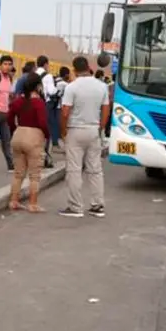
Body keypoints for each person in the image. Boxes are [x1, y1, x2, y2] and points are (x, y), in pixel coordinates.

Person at [58, 56, 111, 219]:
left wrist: (63, 131)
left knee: (74, 169)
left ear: (74, 70)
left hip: (75, 129)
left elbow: (65, 112)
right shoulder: (102, 86)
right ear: (89, 67)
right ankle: (97, 205)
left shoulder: (71, 87)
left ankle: (75, 207)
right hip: (93, 129)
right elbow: (106, 110)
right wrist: (100, 127)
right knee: (95, 170)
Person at [6, 72, 49, 213]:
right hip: (34, 137)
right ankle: (33, 203)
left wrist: (14, 129)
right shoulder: (39, 103)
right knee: (34, 175)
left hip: (18, 135)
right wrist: (46, 134)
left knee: (18, 173)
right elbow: (42, 122)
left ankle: (14, 200)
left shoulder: (18, 101)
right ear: (38, 86)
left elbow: (9, 116)